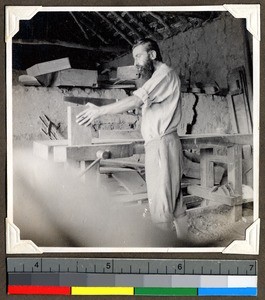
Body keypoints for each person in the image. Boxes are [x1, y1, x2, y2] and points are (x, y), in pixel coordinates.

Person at [76, 38, 185, 234]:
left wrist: (99, 111)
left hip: (161, 144)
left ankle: (166, 258)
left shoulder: (163, 74)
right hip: (163, 143)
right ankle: (187, 249)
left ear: (152, 55)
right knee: (174, 203)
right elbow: (145, 106)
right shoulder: (158, 78)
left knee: (161, 207)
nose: (135, 63)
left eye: (138, 56)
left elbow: (136, 100)